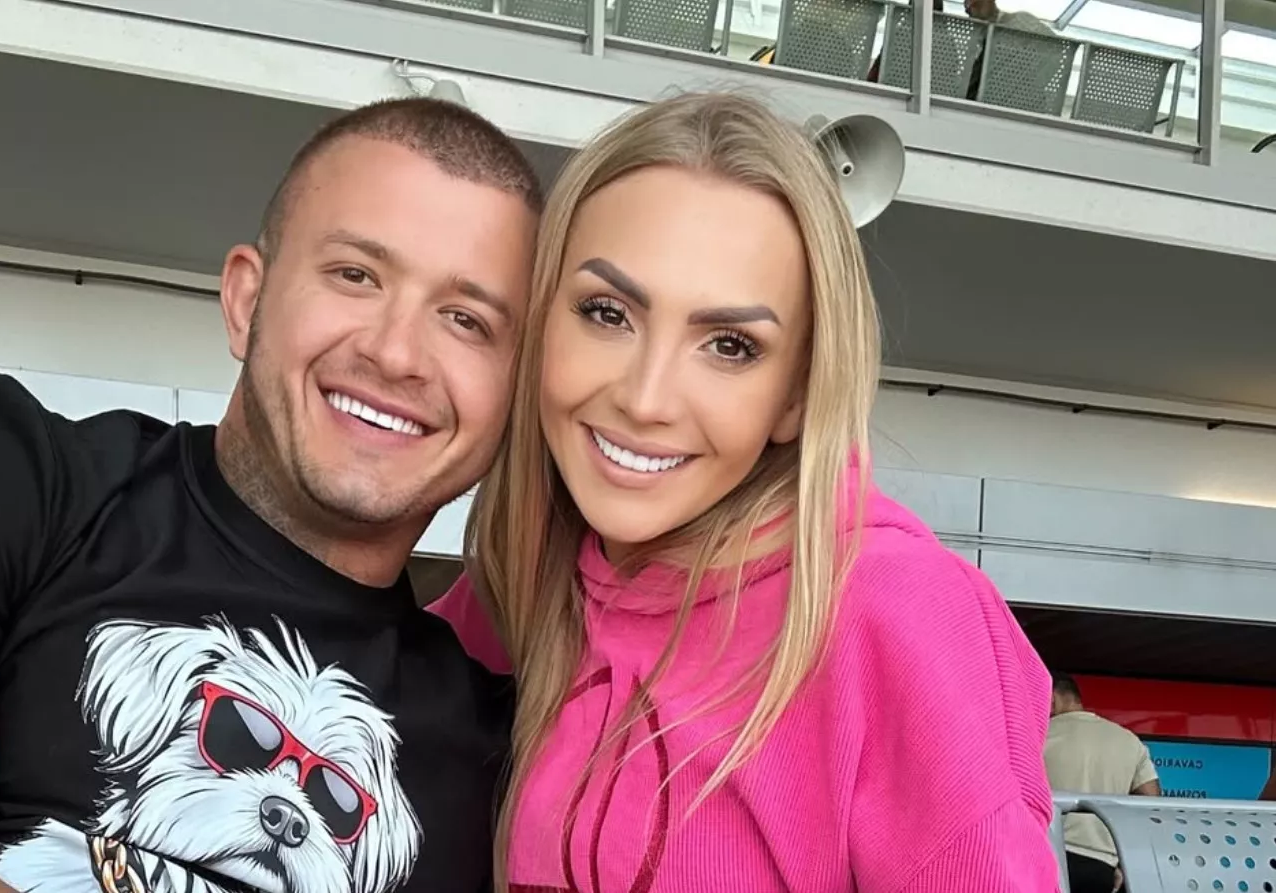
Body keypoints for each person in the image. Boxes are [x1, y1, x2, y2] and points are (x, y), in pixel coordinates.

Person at [0, 97, 539, 893]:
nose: (397, 352)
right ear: (245, 300)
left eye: (467, 320)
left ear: (515, 393)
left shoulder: (507, 758)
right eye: (355, 275)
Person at [430, 92, 1058, 892]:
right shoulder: (522, 580)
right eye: (606, 312)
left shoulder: (888, 608)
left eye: (729, 345)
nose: (646, 398)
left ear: (794, 395)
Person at [1045, 672, 1160, 893]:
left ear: (1052, 699)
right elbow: (1151, 804)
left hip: (1049, 858)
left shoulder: (1037, 736)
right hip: (1102, 866)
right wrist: (1126, 863)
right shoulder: (1129, 740)